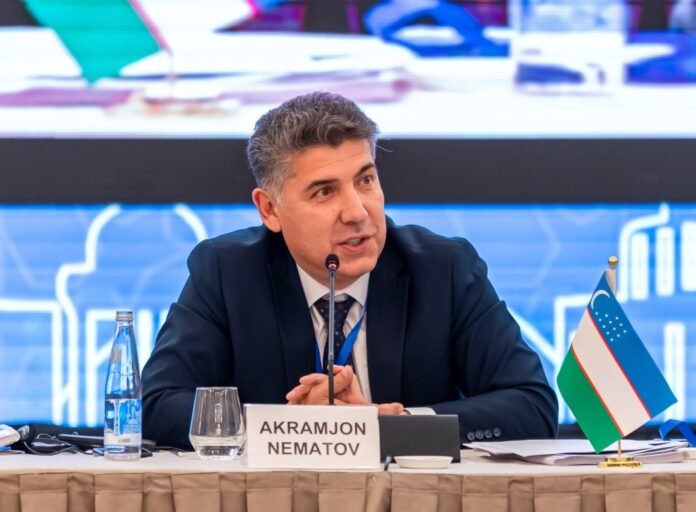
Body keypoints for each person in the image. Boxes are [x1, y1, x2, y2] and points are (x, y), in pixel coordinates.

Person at [142, 92, 558, 448]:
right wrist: (292, 428)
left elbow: (532, 405)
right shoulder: (227, 272)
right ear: (270, 210)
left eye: (365, 181)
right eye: (325, 192)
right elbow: (157, 405)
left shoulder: (442, 269)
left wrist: (395, 427)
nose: (358, 212)